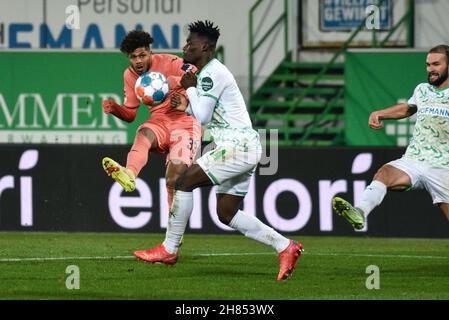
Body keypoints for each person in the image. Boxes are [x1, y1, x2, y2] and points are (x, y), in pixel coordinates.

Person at [133, 20, 303, 281]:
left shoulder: (212, 73)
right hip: (243, 146)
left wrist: (190, 87)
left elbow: (202, 117)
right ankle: (285, 246)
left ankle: (169, 248)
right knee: (226, 213)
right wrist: (186, 107)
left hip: (238, 147)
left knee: (183, 182)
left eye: (190, 43)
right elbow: (209, 113)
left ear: (205, 47)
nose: (185, 46)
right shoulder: (207, 73)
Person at [333, 44, 449, 230]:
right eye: (428, 65)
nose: (430, 69)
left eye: (436, 64)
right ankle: (360, 211)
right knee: (384, 173)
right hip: (415, 159)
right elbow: (408, 108)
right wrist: (380, 113)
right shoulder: (422, 90)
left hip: (444, 167)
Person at [101, 30, 202, 215]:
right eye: (133, 57)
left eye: (142, 55)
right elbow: (131, 115)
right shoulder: (130, 75)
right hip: (160, 121)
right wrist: (115, 109)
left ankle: (174, 238)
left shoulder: (170, 62)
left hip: (185, 122)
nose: (138, 61)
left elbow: (198, 78)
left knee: (173, 180)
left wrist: (175, 81)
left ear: (150, 52)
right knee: (143, 133)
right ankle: (130, 175)